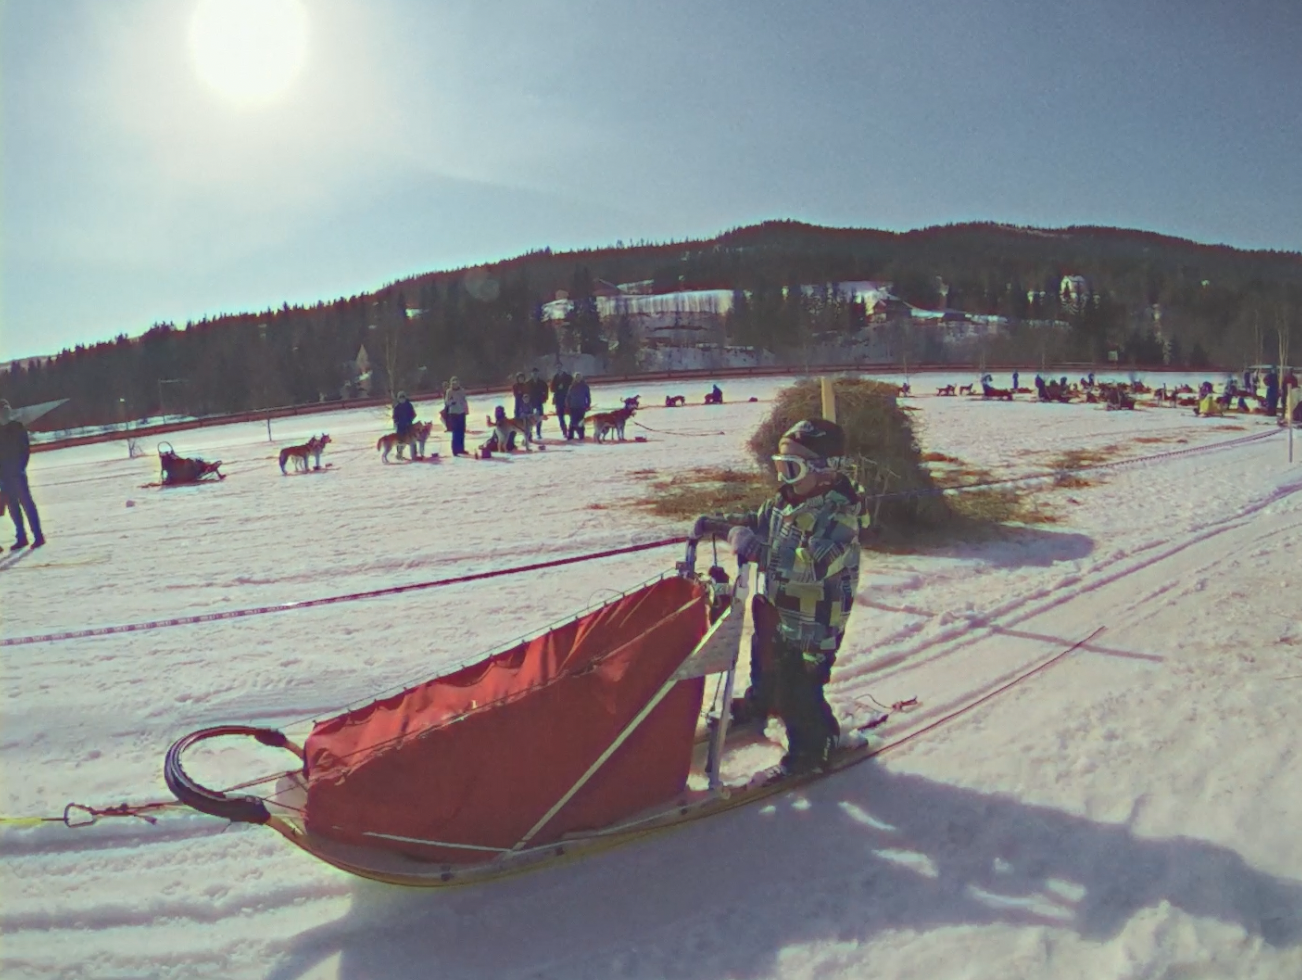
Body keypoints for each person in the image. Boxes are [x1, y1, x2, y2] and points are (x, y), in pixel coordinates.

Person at [690, 418, 868, 777]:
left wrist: (756, 550)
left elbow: (814, 564)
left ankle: (816, 744)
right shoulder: (786, 500)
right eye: (781, 466)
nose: (783, 476)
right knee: (765, 657)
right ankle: (762, 700)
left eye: (793, 468)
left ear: (826, 471)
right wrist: (721, 525)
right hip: (776, 607)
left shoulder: (841, 515)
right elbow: (757, 522)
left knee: (799, 685)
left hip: (814, 622)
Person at [0, 400, 44, 550]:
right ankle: (21, 536)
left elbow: (25, 449)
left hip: (16, 472)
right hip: (4, 474)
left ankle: (38, 535)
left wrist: (21, 467)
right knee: (13, 506)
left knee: (26, 503)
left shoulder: (17, 427)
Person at [443, 377, 469, 456]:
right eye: (453, 383)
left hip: (461, 412)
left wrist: (466, 410)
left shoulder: (462, 391)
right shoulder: (449, 392)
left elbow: (464, 400)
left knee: (462, 432)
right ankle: (455, 450)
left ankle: (461, 449)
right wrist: (451, 402)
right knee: (455, 432)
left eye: (456, 383)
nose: (455, 385)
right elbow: (446, 402)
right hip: (453, 413)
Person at [566, 372, 591, 440]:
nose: (578, 378)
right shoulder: (571, 386)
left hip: (581, 406)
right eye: (577, 377)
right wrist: (567, 405)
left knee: (581, 422)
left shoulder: (585, 386)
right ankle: (570, 436)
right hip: (573, 406)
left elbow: (588, 396)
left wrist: (588, 404)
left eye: (579, 377)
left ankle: (581, 435)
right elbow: (568, 397)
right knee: (572, 422)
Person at [551, 368, 573, 439]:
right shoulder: (555, 377)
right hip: (558, 400)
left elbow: (572, 386)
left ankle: (570, 430)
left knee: (572, 416)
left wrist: (565, 388)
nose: (559, 369)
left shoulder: (568, 377)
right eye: (557, 367)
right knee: (560, 417)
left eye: (560, 367)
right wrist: (557, 388)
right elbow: (552, 389)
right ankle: (564, 431)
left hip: (568, 399)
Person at [527, 368, 549, 439]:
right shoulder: (528, 383)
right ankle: (529, 433)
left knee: (539, 418)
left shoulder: (542, 383)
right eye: (533, 373)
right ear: (531, 374)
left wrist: (544, 398)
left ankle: (538, 433)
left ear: (538, 373)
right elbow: (525, 393)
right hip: (530, 403)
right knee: (530, 418)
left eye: (536, 373)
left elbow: (546, 391)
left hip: (539, 402)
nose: (535, 374)